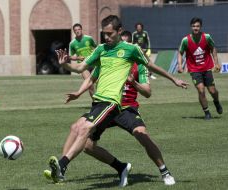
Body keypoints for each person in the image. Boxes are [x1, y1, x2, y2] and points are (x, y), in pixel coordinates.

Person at [48, 15, 188, 186]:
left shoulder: (131, 51)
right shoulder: (101, 50)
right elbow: (81, 68)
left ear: (119, 31)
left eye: (110, 34)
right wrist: (65, 65)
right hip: (100, 103)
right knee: (85, 140)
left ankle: (164, 171)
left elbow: (151, 68)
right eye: (104, 34)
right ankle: (121, 167)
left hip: (120, 105)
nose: (106, 37)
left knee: (140, 135)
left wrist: (173, 79)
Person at [177, 17, 223, 120]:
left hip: (207, 68)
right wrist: (180, 65)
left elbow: (213, 49)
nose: (195, 28)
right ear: (191, 27)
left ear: (200, 27)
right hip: (194, 70)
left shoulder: (207, 37)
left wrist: (216, 63)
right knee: (201, 90)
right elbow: (180, 53)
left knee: (212, 91)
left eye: (197, 26)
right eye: (193, 26)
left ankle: (216, 101)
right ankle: (207, 112)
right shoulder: (186, 40)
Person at [69, 23, 97, 99]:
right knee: (89, 84)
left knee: (99, 83)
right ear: (74, 32)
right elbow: (70, 56)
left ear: (81, 30)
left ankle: (103, 101)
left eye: (79, 29)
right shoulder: (72, 43)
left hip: (93, 63)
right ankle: (95, 102)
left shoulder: (89, 38)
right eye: (75, 30)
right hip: (84, 66)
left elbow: (96, 48)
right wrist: (78, 58)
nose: (77, 31)